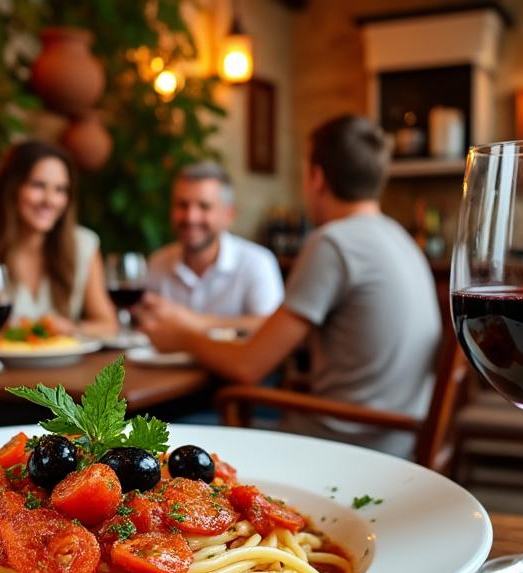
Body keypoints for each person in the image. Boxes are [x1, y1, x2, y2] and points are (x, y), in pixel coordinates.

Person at [138, 114, 441, 456]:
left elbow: (248, 367)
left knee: (156, 432)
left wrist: (181, 336)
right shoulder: (399, 237)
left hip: (346, 445)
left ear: (317, 177)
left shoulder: (333, 243)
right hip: (397, 436)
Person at [0, 141, 117, 337]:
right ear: (11, 188)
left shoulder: (82, 245)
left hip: (64, 358)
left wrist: (71, 329)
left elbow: (108, 325)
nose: (49, 200)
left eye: (60, 190)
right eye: (38, 186)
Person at [140, 161, 284, 334]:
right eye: (182, 205)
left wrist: (191, 321)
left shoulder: (257, 263)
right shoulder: (157, 263)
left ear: (228, 214)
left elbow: (272, 327)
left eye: (204, 206)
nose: (191, 217)